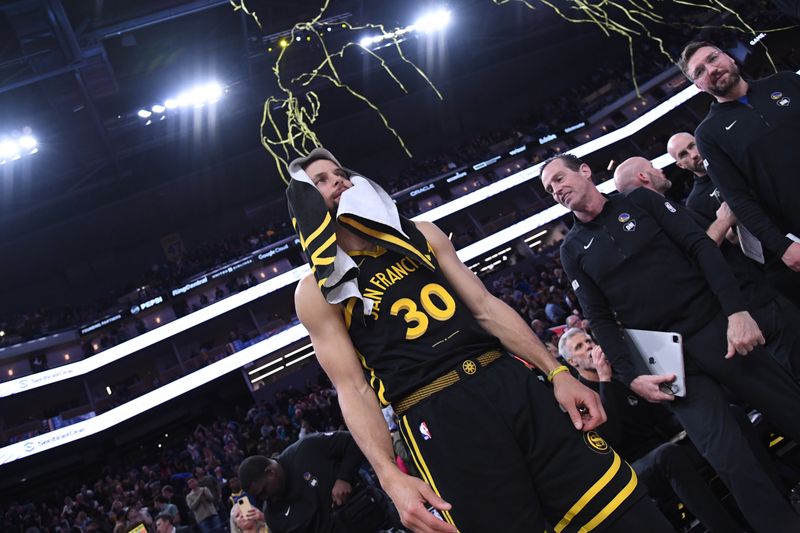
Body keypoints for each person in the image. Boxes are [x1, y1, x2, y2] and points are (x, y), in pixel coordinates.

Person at [290, 148, 673, 533]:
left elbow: (486, 308)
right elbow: (353, 389)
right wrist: (389, 476)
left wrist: (557, 372)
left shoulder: (421, 234)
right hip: (437, 414)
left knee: (622, 510)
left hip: (506, 380)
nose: (338, 180)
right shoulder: (315, 291)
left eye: (340, 172)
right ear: (304, 203)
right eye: (321, 180)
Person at [542, 152, 800, 533]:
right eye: (550, 189)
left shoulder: (642, 202)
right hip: (664, 358)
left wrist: (736, 312)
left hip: (715, 324)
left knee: (788, 405)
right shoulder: (572, 250)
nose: (557, 190)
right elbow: (599, 318)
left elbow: (700, 247)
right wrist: (631, 377)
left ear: (584, 171)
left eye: (560, 179)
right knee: (728, 458)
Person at [617, 149, 800, 380]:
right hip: (747, 307)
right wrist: (722, 222)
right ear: (644, 177)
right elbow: (694, 257)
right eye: (652, 167)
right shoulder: (650, 225)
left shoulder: (668, 210)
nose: (659, 170)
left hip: (756, 295)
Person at [559, 328, 745, 533]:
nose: (588, 346)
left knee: (727, 415)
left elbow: (664, 418)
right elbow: (612, 439)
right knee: (668, 455)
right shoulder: (582, 398)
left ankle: (770, 502)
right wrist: (604, 380)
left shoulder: (622, 376)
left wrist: (701, 417)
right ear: (572, 362)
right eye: (579, 347)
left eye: (588, 340)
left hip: (665, 444)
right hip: (633, 467)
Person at [679, 41, 800, 302]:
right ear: (698, 85)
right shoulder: (708, 135)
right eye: (699, 72)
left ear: (730, 58)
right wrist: (782, 247)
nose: (710, 70)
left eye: (713, 59)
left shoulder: (786, 82)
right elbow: (738, 200)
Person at [237, 431, 397, 533]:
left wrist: (344, 477)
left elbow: (353, 441)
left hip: (376, 521)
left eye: (263, 490)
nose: (265, 498)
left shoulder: (306, 449)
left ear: (270, 472)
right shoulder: (273, 515)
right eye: (259, 497)